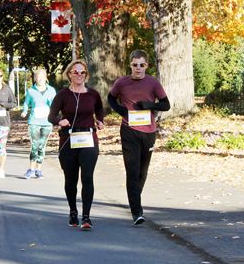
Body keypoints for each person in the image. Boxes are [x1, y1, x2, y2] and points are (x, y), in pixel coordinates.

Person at [107, 50, 171, 225]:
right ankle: (137, 212)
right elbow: (110, 98)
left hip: (148, 132)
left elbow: (166, 105)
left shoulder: (153, 83)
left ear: (146, 66)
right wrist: (121, 110)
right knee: (132, 171)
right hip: (129, 131)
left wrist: (150, 105)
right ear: (130, 65)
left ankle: (135, 199)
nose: (138, 68)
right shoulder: (122, 82)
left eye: (142, 65)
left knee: (142, 172)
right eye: (135, 64)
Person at [48, 60, 105, 230]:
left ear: (86, 75)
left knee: (87, 178)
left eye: (82, 72)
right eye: (76, 72)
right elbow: (51, 116)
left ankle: (86, 216)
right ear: (69, 74)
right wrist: (60, 121)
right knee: (70, 179)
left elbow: (100, 108)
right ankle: (73, 212)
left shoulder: (93, 94)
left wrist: (100, 121)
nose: (79, 75)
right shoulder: (63, 94)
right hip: (68, 140)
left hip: (88, 138)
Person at [21, 68, 56, 179]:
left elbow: (55, 104)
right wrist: (24, 111)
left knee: (42, 146)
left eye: (42, 77)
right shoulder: (31, 91)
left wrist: (54, 111)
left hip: (47, 122)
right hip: (34, 121)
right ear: (35, 78)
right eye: (38, 77)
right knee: (34, 145)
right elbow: (26, 103)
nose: (40, 79)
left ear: (46, 78)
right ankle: (31, 169)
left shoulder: (51, 90)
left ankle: (39, 170)